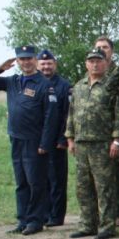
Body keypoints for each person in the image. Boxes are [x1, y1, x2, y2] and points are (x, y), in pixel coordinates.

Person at [0, 45, 59, 235]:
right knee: (21, 183)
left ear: (35, 60)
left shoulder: (44, 84)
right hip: (16, 138)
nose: (26, 62)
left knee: (36, 182)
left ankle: (35, 221)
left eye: (29, 58)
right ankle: (23, 220)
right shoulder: (12, 81)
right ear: (18, 61)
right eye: (22, 59)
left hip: (35, 141)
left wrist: (45, 143)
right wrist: (0, 67)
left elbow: (51, 117)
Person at [66, 48, 119, 239]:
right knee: (83, 187)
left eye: (98, 61)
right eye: (91, 61)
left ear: (106, 63)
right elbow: (72, 113)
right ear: (86, 64)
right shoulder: (79, 86)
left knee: (104, 186)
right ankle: (87, 223)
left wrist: (117, 139)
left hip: (103, 143)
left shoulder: (111, 85)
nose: (95, 64)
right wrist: (70, 138)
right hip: (82, 143)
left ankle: (107, 225)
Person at [95, 36, 119, 224]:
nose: (102, 50)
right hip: (95, 136)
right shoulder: (92, 70)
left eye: (105, 47)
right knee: (98, 179)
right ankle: (101, 215)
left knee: (116, 175)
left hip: (114, 134)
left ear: (111, 51)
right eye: (98, 47)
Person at [38, 49, 71, 228]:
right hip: (39, 140)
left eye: (49, 63)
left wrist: (63, 139)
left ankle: (56, 216)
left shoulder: (64, 86)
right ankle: (43, 213)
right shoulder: (35, 84)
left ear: (55, 65)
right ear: (38, 65)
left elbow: (67, 114)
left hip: (57, 141)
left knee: (57, 180)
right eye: (43, 64)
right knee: (41, 179)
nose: (46, 66)